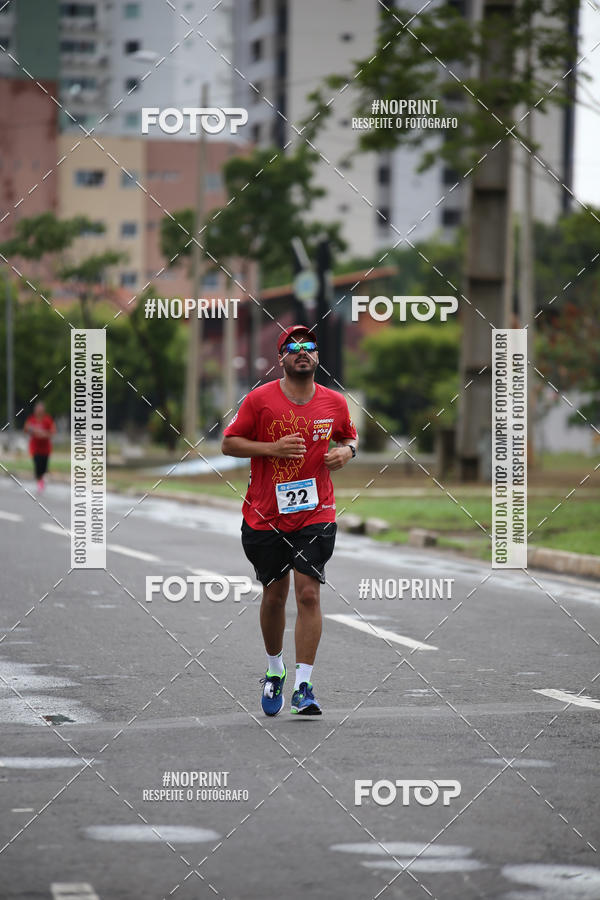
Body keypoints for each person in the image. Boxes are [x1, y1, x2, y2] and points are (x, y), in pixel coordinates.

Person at [222, 325, 358, 717]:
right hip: (265, 516)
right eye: (293, 347)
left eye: (310, 346)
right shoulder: (259, 400)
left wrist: (347, 453)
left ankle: (304, 686)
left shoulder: (334, 403)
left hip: (316, 511)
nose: (303, 351)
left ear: (318, 357)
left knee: (309, 594)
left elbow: (350, 437)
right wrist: (272, 448)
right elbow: (229, 443)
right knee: (275, 595)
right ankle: (274, 670)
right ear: (281, 358)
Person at [24, 401, 56, 492]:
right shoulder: (31, 419)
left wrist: (43, 434)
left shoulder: (47, 419)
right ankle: (39, 482)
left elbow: (53, 431)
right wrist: (32, 430)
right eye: (37, 410)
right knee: (37, 464)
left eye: (41, 410)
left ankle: (42, 478)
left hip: (45, 448)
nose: (39, 412)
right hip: (35, 448)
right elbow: (26, 428)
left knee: (44, 466)